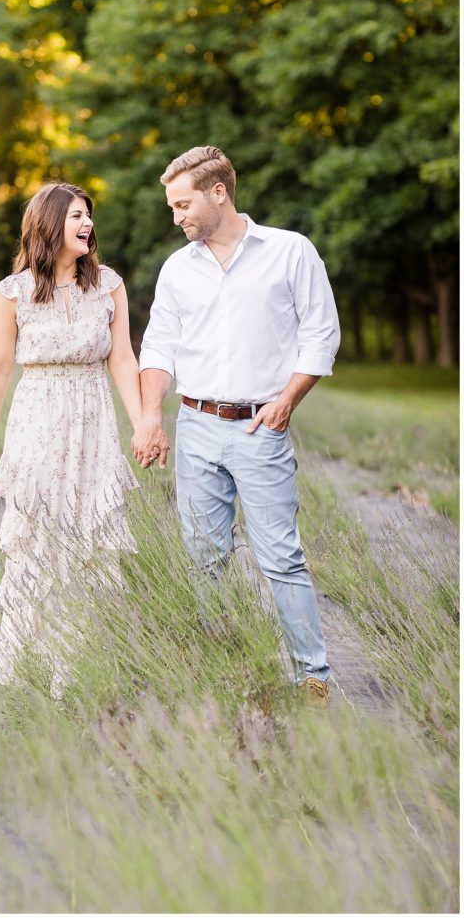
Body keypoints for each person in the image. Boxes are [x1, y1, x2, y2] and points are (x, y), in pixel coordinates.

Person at [132, 146, 341, 705]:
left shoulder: (290, 252)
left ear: (218, 192)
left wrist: (286, 402)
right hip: (196, 425)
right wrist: (152, 414)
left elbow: (321, 334)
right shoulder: (178, 268)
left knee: (280, 556)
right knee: (205, 559)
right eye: (172, 206)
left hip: (260, 429)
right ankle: (226, 669)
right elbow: (158, 345)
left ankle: (312, 675)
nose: (176, 217)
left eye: (183, 204)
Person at [0, 182, 143, 697]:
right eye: (75, 216)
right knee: (36, 541)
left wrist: (142, 424)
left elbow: (121, 359)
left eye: (88, 215)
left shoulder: (109, 285)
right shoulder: (13, 293)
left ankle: (69, 671)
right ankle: (10, 665)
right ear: (49, 225)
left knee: (87, 542)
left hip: (93, 423)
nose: (87, 223)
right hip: (38, 422)